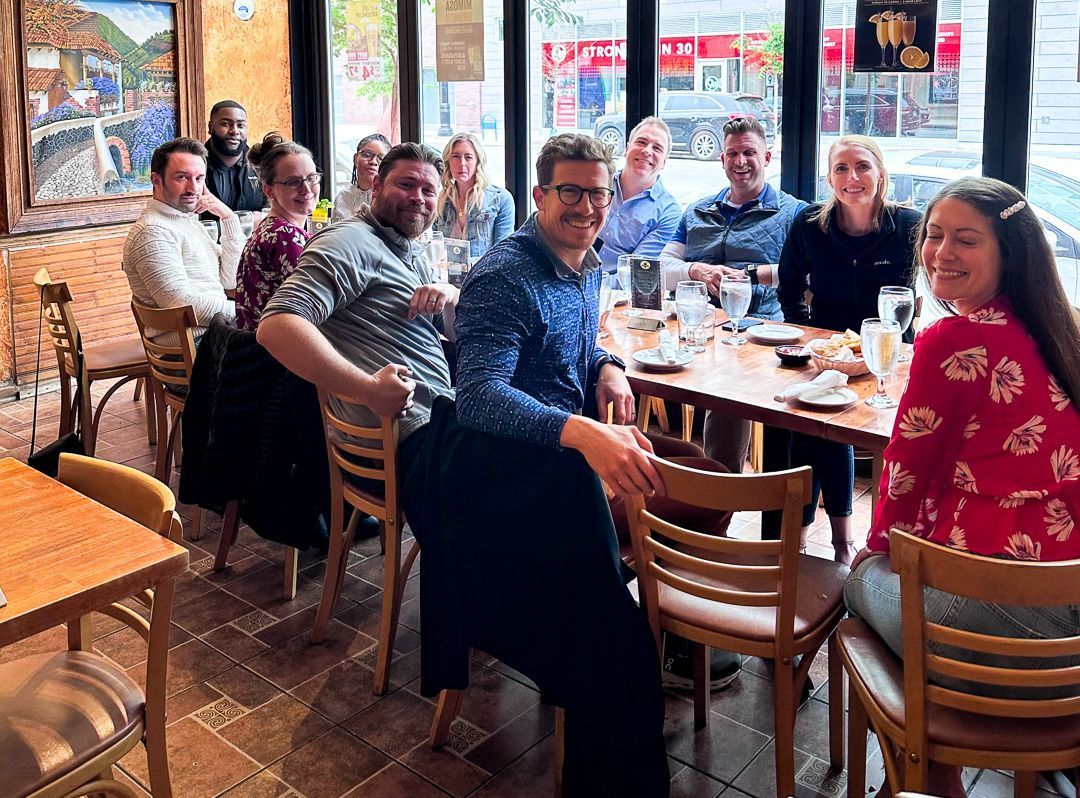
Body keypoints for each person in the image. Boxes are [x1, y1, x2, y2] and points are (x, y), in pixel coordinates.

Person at [442, 132, 669, 796]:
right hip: (505, 473)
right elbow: (479, 396)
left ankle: (667, 618)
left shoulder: (587, 262)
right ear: (540, 194)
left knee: (689, 472)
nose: (586, 207)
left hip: (563, 457)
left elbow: (577, 344)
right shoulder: (504, 275)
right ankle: (636, 631)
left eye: (597, 193)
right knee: (617, 646)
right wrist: (582, 434)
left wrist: (609, 368)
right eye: (570, 192)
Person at [844, 176, 1080, 797]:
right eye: (934, 235)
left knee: (856, 582)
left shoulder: (954, 339)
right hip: (1071, 629)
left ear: (1009, 253)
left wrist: (876, 549)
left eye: (966, 240)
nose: (941, 252)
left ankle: (926, 775)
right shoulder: (1058, 330)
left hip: (1013, 634)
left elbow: (904, 474)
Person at [776, 135, 921, 563]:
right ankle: (827, 540)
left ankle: (831, 540)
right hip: (828, 351)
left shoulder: (909, 226)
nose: (852, 177)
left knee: (835, 428)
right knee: (812, 424)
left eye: (862, 167)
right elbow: (789, 286)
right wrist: (808, 337)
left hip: (888, 357)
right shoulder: (809, 224)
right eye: (841, 168)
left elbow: (928, 292)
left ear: (881, 175)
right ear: (829, 177)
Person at [660, 116, 808, 475]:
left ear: (767, 157)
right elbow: (663, 267)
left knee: (728, 386)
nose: (740, 161)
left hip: (759, 329)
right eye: (732, 154)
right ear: (722, 159)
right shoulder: (697, 210)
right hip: (696, 324)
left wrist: (751, 275)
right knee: (624, 365)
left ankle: (719, 492)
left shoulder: (793, 213)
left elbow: (807, 275)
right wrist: (697, 271)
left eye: (749, 153)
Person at [123, 137, 243, 341]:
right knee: (287, 345)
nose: (193, 188)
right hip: (196, 343)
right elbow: (182, 304)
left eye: (199, 178)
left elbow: (229, 280)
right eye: (182, 177)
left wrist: (228, 217)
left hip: (216, 332)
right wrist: (246, 313)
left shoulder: (187, 222)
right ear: (156, 180)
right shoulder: (152, 232)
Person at [234, 133, 318, 330]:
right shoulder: (283, 235)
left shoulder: (270, 228)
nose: (307, 189)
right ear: (269, 190)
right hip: (275, 347)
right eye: (293, 182)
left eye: (312, 178)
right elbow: (317, 300)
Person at [596, 116, 681, 274]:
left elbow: (635, 273)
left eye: (657, 148)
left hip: (614, 288)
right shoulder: (597, 183)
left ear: (664, 162)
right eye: (641, 142)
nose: (647, 151)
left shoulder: (668, 212)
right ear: (627, 148)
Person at [433, 132, 515, 257]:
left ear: (478, 162)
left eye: (468, 157)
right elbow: (432, 247)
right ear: (448, 161)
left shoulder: (500, 199)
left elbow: (502, 253)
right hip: (446, 269)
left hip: (484, 269)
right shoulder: (440, 200)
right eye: (456, 156)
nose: (462, 163)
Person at [202, 100, 266, 216]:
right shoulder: (195, 166)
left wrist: (262, 216)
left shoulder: (260, 165)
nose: (235, 131)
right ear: (210, 127)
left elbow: (273, 210)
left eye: (240, 125)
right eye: (226, 124)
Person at [332, 133, 391, 222]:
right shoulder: (343, 197)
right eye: (367, 155)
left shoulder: (390, 198)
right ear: (356, 159)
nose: (373, 162)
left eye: (381, 158)